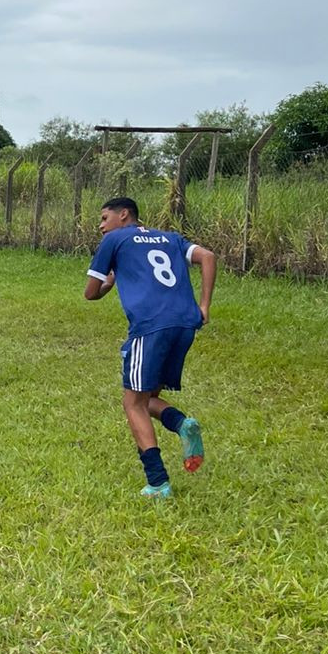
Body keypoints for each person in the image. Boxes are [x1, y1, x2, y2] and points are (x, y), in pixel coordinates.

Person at [84, 196, 216, 498]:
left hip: (150, 325)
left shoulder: (115, 240)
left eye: (105, 218)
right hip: (185, 323)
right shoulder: (170, 238)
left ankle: (157, 482)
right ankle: (182, 424)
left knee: (132, 403)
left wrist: (112, 280)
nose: (101, 226)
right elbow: (207, 256)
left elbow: (91, 293)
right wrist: (204, 305)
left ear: (124, 215)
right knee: (147, 397)